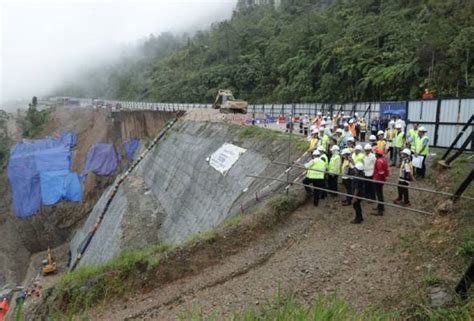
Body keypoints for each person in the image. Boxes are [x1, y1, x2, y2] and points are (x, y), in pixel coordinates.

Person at [372, 148, 389, 216]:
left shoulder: (379, 161)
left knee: (379, 194)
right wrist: (385, 177)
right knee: (380, 194)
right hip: (381, 179)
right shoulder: (384, 160)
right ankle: (380, 206)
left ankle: (380, 210)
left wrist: (384, 177)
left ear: (377, 154)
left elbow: (381, 172)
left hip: (378, 179)